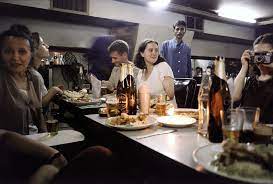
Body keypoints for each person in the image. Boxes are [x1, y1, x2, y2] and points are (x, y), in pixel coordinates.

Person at [0, 24, 47, 134]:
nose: (15, 57)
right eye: (8, 51)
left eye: (22, 52)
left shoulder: (34, 78)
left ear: (31, 54)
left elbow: (39, 116)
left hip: (37, 142)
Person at [233, 33, 273, 123]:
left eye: (264, 54)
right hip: (247, 130)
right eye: (257, 54)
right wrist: (244, 66)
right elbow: (235, 97)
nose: (259, 58)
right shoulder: (252, 81)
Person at [134, 39, 177, 107]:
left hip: (165, 111)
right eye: (150, 50)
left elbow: (170, 95)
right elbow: (138, 97)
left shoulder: (163, 66)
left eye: (156, 50)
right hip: (147, 110)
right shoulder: (140, 72)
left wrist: (150, 100)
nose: (154, 53)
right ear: (142, 53)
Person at [30, 32, 63, 107]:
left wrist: (51, 91)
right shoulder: (34, 75)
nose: (47, 46)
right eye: (43, 44)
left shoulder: (33, 72)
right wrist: (54, 90)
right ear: (34, 50)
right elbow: (40, 105)